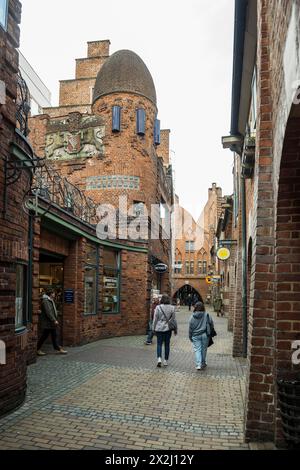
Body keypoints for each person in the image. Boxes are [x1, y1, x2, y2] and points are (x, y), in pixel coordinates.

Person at [37, 289, 67, 356]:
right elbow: (48, 312)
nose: (54, 294)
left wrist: (57, 313)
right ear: (51, 294)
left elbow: (52, 310)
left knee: (54, 335)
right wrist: (54, 320)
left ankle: (57, 348)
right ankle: (37, 349)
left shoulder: (50, 300)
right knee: (45, 336)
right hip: (48, 322)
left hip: (50, 323)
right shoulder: (46, 301)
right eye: (53, 293)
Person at [152, 294, 177, 367]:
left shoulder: (158, 307)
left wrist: (153, 328)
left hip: (159, 328)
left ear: (161, 300)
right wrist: (168, 321)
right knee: (167, 344)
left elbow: (155, 319)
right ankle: (165, 360)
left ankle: (159, 358)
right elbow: (173, 318)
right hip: (168, 328)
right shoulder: (172, 308)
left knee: (159, 344)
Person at [189, 301, 214, 371]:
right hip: (205, 335)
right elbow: (211, 324)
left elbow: (190, 328)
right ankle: (203, 362)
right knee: (204, 350)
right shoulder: (207, 315)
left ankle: (198, 365)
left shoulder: (192, 317)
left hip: (195, 335)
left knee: (197, 350)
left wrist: (190, 336)